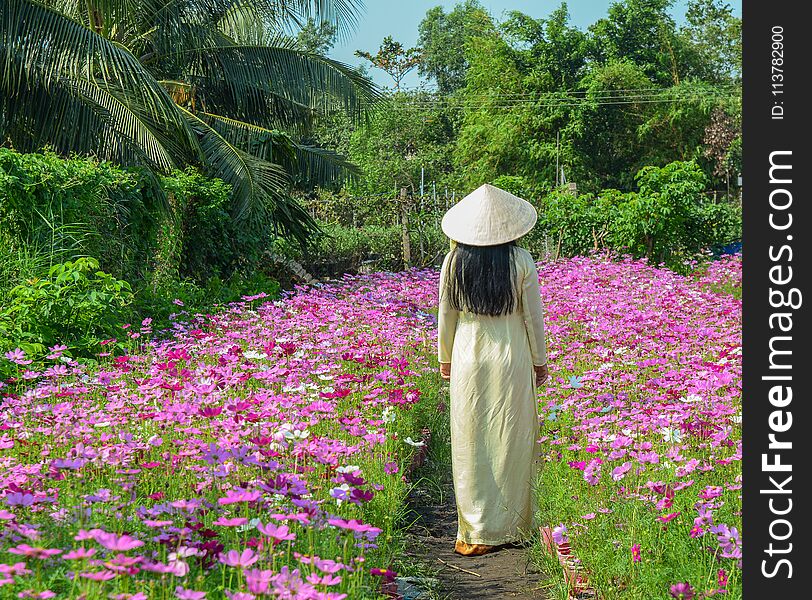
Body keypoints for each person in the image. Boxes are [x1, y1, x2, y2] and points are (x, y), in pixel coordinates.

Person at [437, 183, 549, 557]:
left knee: (470, 443)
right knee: (511, 440)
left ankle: (474, 531)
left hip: (469, 356)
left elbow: (446, 315)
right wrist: (540, 360)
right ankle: (513, 527)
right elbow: (533, 318)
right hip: (511, 355)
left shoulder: (453, 262)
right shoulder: (521, 260)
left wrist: (445, 358)